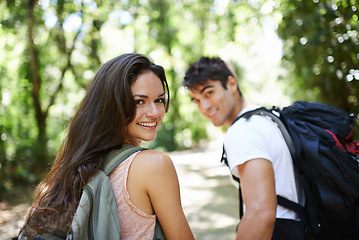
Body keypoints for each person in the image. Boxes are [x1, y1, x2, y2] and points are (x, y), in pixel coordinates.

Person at [18, 53, 195, 240]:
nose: (154, 112)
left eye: (159, 100)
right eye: (139, 102)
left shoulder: (75, 166)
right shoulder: (155, 165)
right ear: (112, 105)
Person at [182, 56, 303, 240]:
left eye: (209, 93)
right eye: (196, 100)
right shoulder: (265, 118)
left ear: (231, 84)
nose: (204, 107)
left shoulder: (243, 131)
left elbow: (260, 213)